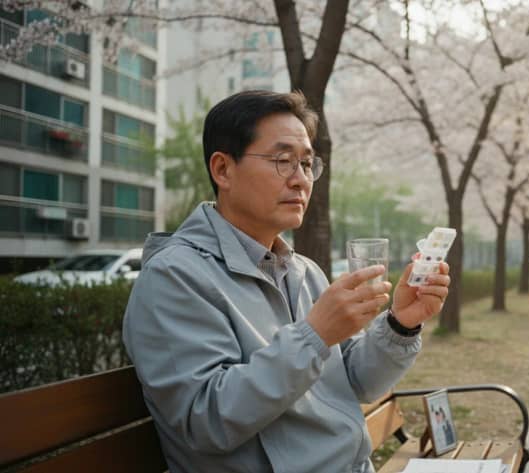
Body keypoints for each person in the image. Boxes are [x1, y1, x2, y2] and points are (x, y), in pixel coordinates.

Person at [122, 90, 451, 473]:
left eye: (308, 164)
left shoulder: (303, 271)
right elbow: (206, 419)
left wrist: (401, 322)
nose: (300, 180)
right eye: (283, 161)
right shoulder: (174, 277)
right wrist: (314, 335)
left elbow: (357, 381)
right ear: (223, 170)